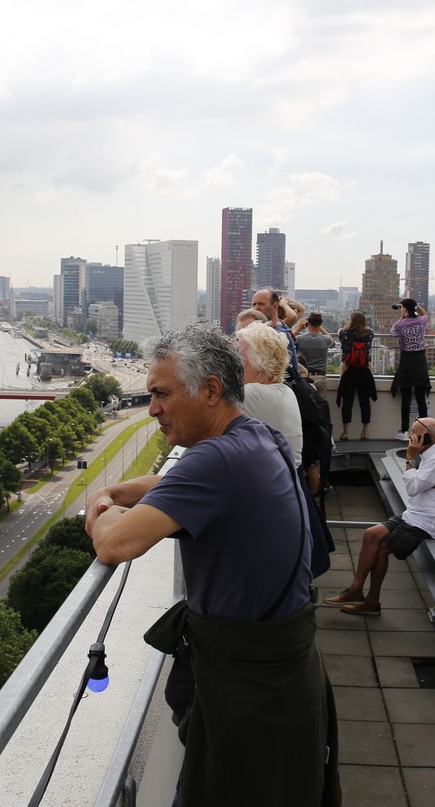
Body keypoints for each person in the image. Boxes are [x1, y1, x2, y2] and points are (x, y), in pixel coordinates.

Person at [85, 323, 339, 806]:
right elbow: (177, 482)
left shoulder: (218, 461)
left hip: (249, 697)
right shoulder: (257, 438)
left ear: (210, 390)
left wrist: (102, 508)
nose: (152, 408)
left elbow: (114, 544)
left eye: (161, 394)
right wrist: (117, 490)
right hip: (284, 678)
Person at [323, 417, 435, 615]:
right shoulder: (431, 454)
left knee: (381, 550)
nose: (410, 437)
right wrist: (420, 479)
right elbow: (417, 485)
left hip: (428, 521)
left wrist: (410, 458)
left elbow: (412, 488)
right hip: (414, 514)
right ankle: (355, 590)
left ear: (426, 438)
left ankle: (372, 602)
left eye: (414, 433)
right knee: (371, 534)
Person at [236, 322, 303, 468]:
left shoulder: (250, 394)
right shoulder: (286, 391)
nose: (235, 363)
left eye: (239, 356)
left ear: (260, 363)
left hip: (269, 478)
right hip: (290, 476)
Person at [389, 298, 431, 440]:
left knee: (406, 397)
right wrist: (415, 307)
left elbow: (393, 333)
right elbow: (425, 314)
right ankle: (424, 431)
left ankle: (404, 431)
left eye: (402, 308)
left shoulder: (399, 324)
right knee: (421, 398)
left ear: (405, 309)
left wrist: (402, 316)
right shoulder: (421, 321)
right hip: (420, 360)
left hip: (406, 360)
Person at [336, 311, 376, 441]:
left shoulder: (344, 333)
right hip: (365, 368)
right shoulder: (369, 333)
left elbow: (340, 334)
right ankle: (365, 432)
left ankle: (345, 432)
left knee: (347, 401)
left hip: (348, 368)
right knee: (365, 401)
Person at [251, 288, 302, 374]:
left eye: (261, 304)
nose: (256, 308)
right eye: (254, 304)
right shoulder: (270, 328)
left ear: (275, 307)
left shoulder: (279, 333)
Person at [293, 311, 335, 394]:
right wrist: (320, 328)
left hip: (305, 376)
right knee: (320, 401)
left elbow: (287, 341)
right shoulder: (325, 339)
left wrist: (298, 329)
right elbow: (332, 341)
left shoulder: (300, 339)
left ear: (308, 323)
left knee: (305, 401)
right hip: (321, 376)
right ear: (320, 324)